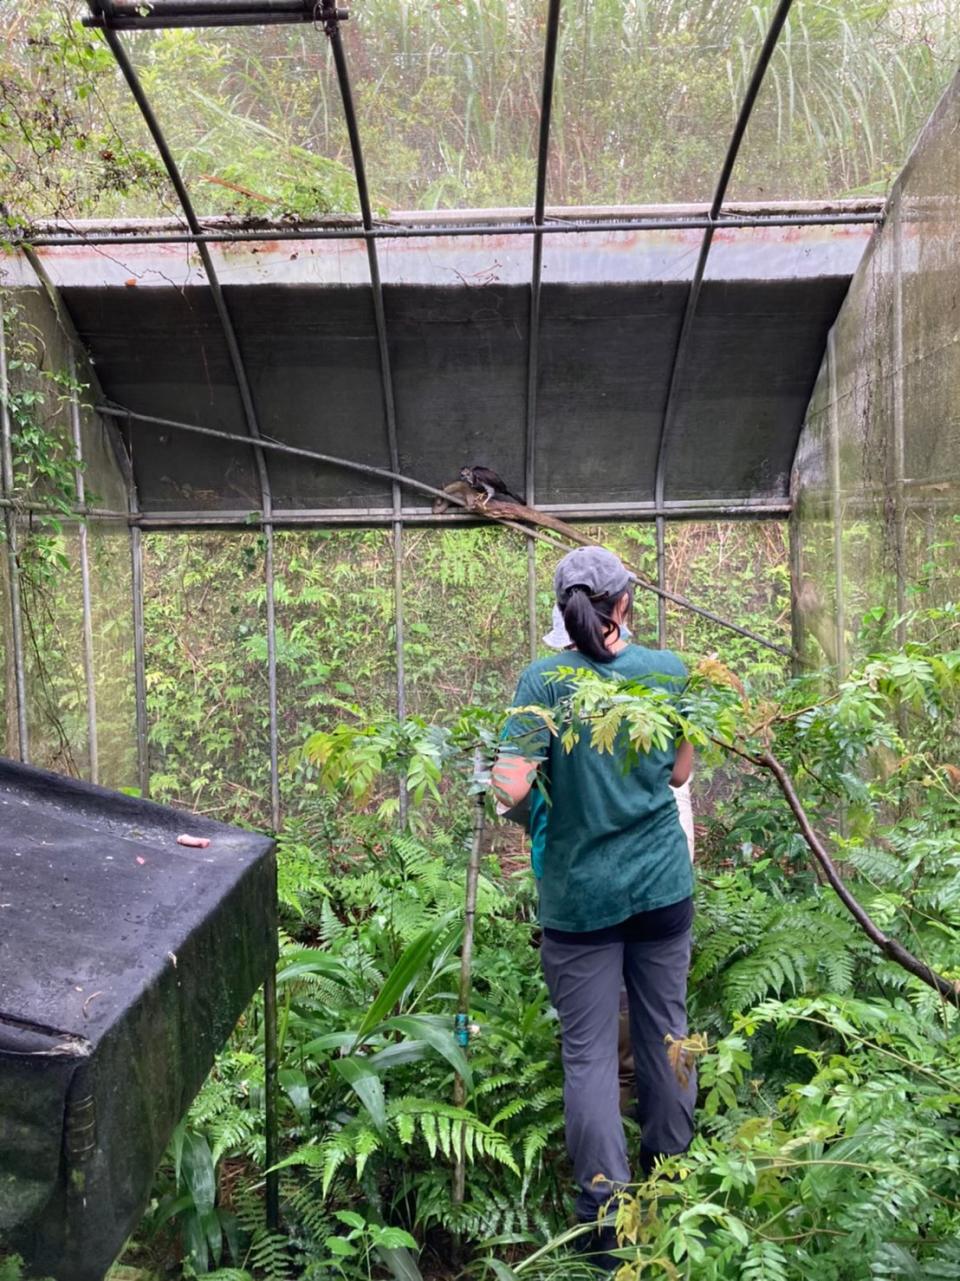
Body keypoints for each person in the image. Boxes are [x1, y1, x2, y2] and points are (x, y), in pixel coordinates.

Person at [493, 547, 696, 1253]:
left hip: (581, 901)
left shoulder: (542, 682)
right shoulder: (668, 673)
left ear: (563, 607)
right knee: (668, 1034)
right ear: (624, 603)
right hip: (662, 888)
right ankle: (672, 1191)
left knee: (588, 1056)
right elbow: (678, 772)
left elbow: (511, 787)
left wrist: (523, 789)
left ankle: (606, 1224)